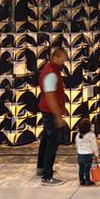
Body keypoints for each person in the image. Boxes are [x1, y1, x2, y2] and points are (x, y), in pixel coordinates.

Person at [34, 45, 67, 185]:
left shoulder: (49, 69)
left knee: (46, 140)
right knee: (52, 143)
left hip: (47, 110)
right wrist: (58, 116)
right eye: (62, 59)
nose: (63, 62)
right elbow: (50, 97)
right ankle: (47, 176)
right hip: (50, 112)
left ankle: (41, 168)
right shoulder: (51, 73)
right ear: (55, 57)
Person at [75, 116, 99, 186]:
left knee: (81, 169)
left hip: (80, 154)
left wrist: (78, 151)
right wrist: (96, 154)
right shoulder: (91, 135)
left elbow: (77, 144)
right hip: (88, 154)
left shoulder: (78, 135)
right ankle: (87, 181)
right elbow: (94, 145)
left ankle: (81, 180)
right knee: (87, 169)